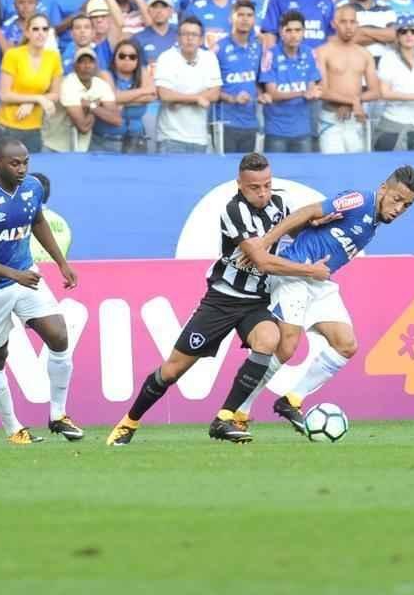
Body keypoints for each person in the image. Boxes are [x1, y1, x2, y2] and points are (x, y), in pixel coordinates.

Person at [105, 152, 333, 446]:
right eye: (255, 187)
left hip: (256, 302)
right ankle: (130, 421)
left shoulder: (278, 203)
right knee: (173, 370)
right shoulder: (233, 210)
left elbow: (292, 226)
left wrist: (317, 223)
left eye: (267, 185)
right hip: (222, 301)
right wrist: (310, 271)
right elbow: (261, 261)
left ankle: (224, 418)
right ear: (240, 184)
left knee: (268, 339)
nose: (263, 192)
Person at [240, 166, 414, 431]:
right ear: (384, 188)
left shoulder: (373, 221)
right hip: (295, 272)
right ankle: (240, 409)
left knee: (346, 344)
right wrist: (264, 242)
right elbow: (308, 212)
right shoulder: (360, 200)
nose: (399, 208)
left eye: (407, 205)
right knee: (287, 346)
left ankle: (291, 400)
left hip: (319, 281)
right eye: (397, 199)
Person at [0, 137, 82, 444]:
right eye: (15, 163)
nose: (22, 168)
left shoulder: (33, 188)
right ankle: (14, 429)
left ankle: (58, 415)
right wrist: (14, 275)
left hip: (27, 275)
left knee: (58, 334)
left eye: (26, 162)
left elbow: (37, 221)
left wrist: (61, 263)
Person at [314, 3, 380, 153]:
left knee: (358, 169)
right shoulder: (323, 52)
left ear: (357, 24)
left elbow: (376, 91)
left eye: (352, 22)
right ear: (334, 24)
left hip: (355, 119)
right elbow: (322, 91)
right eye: (343, 22)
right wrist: (353, 101)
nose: (348, 26)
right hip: (331, 119)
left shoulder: (364, 54)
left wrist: (352, 104)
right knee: (332, 167)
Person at [153, 15, 222, 153]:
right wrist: (197, 99)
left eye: (194, 35)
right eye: (185, 34)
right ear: (178, 38)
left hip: (200, 138)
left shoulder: (209, 58)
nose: (189, 38)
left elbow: (215, 93)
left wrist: (179, 100)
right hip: (171, 138)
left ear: (201, 39)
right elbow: (164, 94)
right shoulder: (166, 58)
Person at [0, 12, 62, 153]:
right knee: (8, 173)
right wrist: (37, 98)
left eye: (45, 29)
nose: (41, 33)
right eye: (35, 29)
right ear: (27, 32)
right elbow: (4, 95)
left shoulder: (53, 57)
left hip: (35, 128)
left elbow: (56, 94)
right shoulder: (13, 55)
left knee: (30, 173)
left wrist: (32, 102)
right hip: (9, 126)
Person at [260, 10, 322, 153]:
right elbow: (272, 94)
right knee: (276, 174)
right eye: (288, 30)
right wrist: (302, 93)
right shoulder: (270, 54)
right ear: (281, 32)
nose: (294, 35)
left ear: (304, 32)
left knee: (304, 174)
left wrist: (314, 93)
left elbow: (311, 90)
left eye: (298, 30)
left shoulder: (310, 53)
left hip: (303, 131)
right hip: (276, 131)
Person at [375, 15, 414, 151]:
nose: (409, 35)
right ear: (397, 36)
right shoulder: (388, 58)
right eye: (403, 32)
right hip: (394, 124)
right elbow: (384, 93)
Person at [214, 0, 262, 154]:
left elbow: (260, 83)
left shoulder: (258, 47)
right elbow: (210, 88)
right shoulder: (218, 48)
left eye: (249, 15)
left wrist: (262, 95)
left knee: (248, 173)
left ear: (254, 19)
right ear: (231, 18)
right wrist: (232, 98)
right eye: (240, 14)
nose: (245, 19)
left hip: (251, 123)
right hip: (225, 122)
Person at [95, 38, 153, 153]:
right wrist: (142, 91)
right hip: (106, 140)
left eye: (132, 57)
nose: (127, 59)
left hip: (136, 140)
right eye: (122, 56)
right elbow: (113, 97)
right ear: (114, 57)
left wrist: (121, 100)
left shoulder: (143, 72)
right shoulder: (105, 74)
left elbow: (151, 96)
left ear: (137, 60)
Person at [60, 46, 120, 152]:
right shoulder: (68, 83)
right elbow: (83, 127)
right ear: (75, 66)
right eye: (82, 62)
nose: (87, 66)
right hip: (56, 145)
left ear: (96, 66)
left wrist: (92, 106)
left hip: (83, 146)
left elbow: (116, 119)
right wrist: (98, 106)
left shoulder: (101, 84)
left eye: (90, 62)